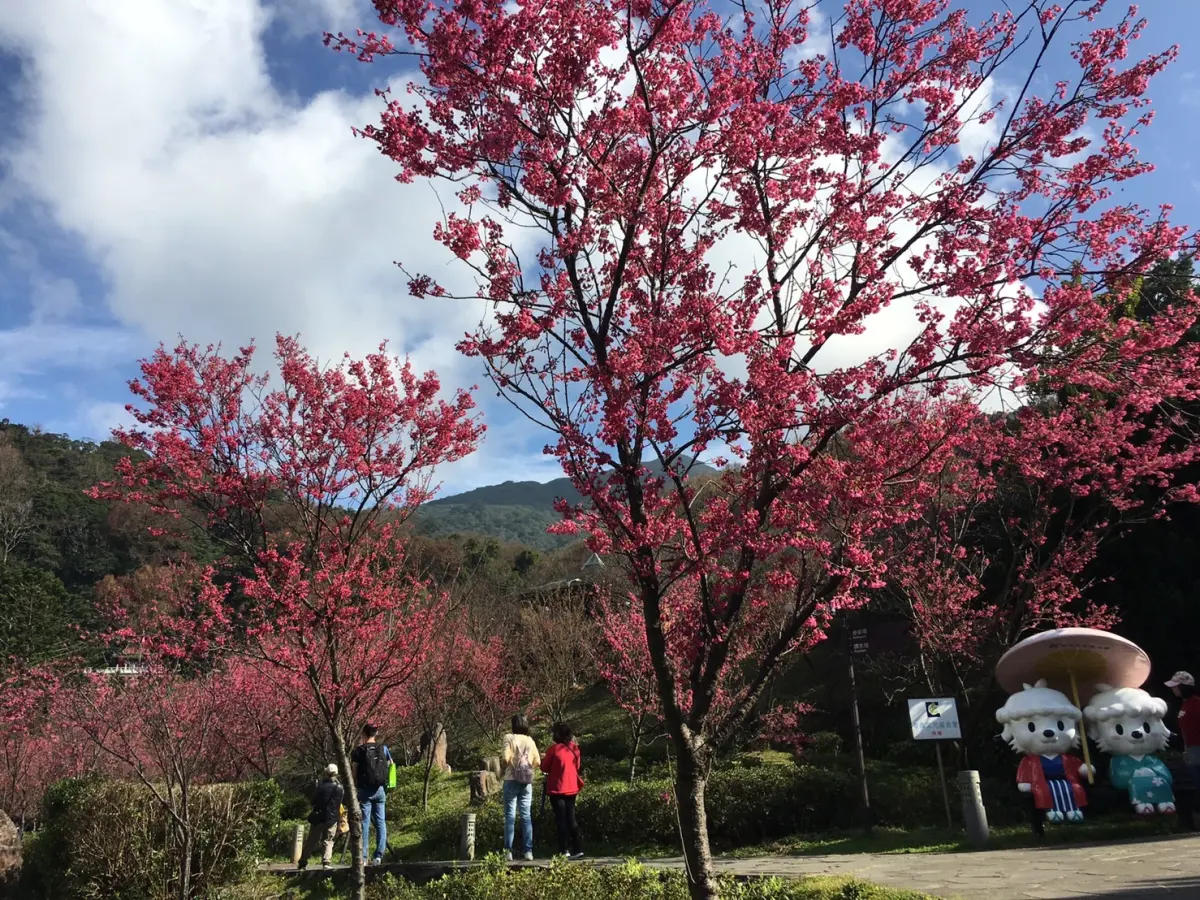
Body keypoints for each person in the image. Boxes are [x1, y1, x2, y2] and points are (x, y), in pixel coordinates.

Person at [349, 723, 393, 865]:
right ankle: (378, 856)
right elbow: (391, 764)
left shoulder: (359, 750)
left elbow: (354, 771)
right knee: (381, 822)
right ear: (376, 733)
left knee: (365, 823)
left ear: (364, 733)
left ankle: (363, 857)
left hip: (365, 790)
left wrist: (356, 786)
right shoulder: (384, 749)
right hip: (380, 790)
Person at [541, 722, 584, 860]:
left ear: (557, 734)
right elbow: (577, 766)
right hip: (572, 788)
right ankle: (578, 848)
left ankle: (563, 849)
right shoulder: (574, 749)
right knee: (571, 818)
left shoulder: (553, 750)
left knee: (561, 820)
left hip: (557, 789)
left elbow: (544, 767)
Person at [500, 713, 540, 861]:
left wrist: (508, 765)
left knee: (510, 816)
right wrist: (528, 768)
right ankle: (528, 852)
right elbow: (538, 762)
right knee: (526, 816)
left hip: (511, 779)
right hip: (527, 782)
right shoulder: (530, 740)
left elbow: (505, 758)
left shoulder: (509, 738)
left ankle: (508, 852)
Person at [298, 763, 343, 871]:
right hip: (332, 818)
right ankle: (326, 862)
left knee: (311, 841)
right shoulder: (340, 788)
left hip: (319, 817)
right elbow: (339, 803)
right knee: (328, 840)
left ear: (326, 773)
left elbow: (313, 801)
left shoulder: (321, 787)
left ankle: (303, 862)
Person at [1168, 672, 1200, 766]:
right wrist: (1186, 750)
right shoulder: (1185, 704)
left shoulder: (1197, 704)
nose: (1172, 689)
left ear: (1183, 687)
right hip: (1191, 749)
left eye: (1175, 686)